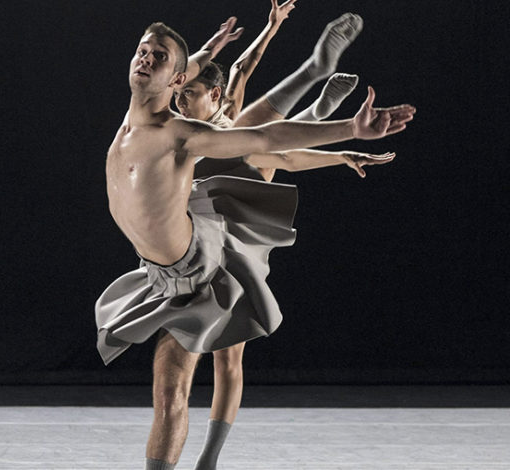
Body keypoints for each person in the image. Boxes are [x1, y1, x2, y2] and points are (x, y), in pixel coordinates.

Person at [95, 20, 414, 470]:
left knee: (179, 390)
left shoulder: (182, 134)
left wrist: (349, 134)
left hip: (198, 272)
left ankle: (318, 94)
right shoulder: (135, 116)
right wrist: (212, 45)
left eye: (159, 57)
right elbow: (202, 67)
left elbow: (271, 142)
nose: (146, 60)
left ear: (179, 78)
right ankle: (317, 92)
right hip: (163, 271)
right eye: (143, 52)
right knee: (169, 393)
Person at [171, 8, 394, 469]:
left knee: (228, 363)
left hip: (237, 237)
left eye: (188, 94)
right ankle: (317, 105)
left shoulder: (228, 114)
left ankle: (208, 461)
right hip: (202, 240)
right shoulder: (185, 128)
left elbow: (244, 80)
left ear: (210, 95)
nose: (179, 103)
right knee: (259, 140)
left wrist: (344, 154)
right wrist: (269, 29)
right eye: (180, 95)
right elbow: (240, 72)